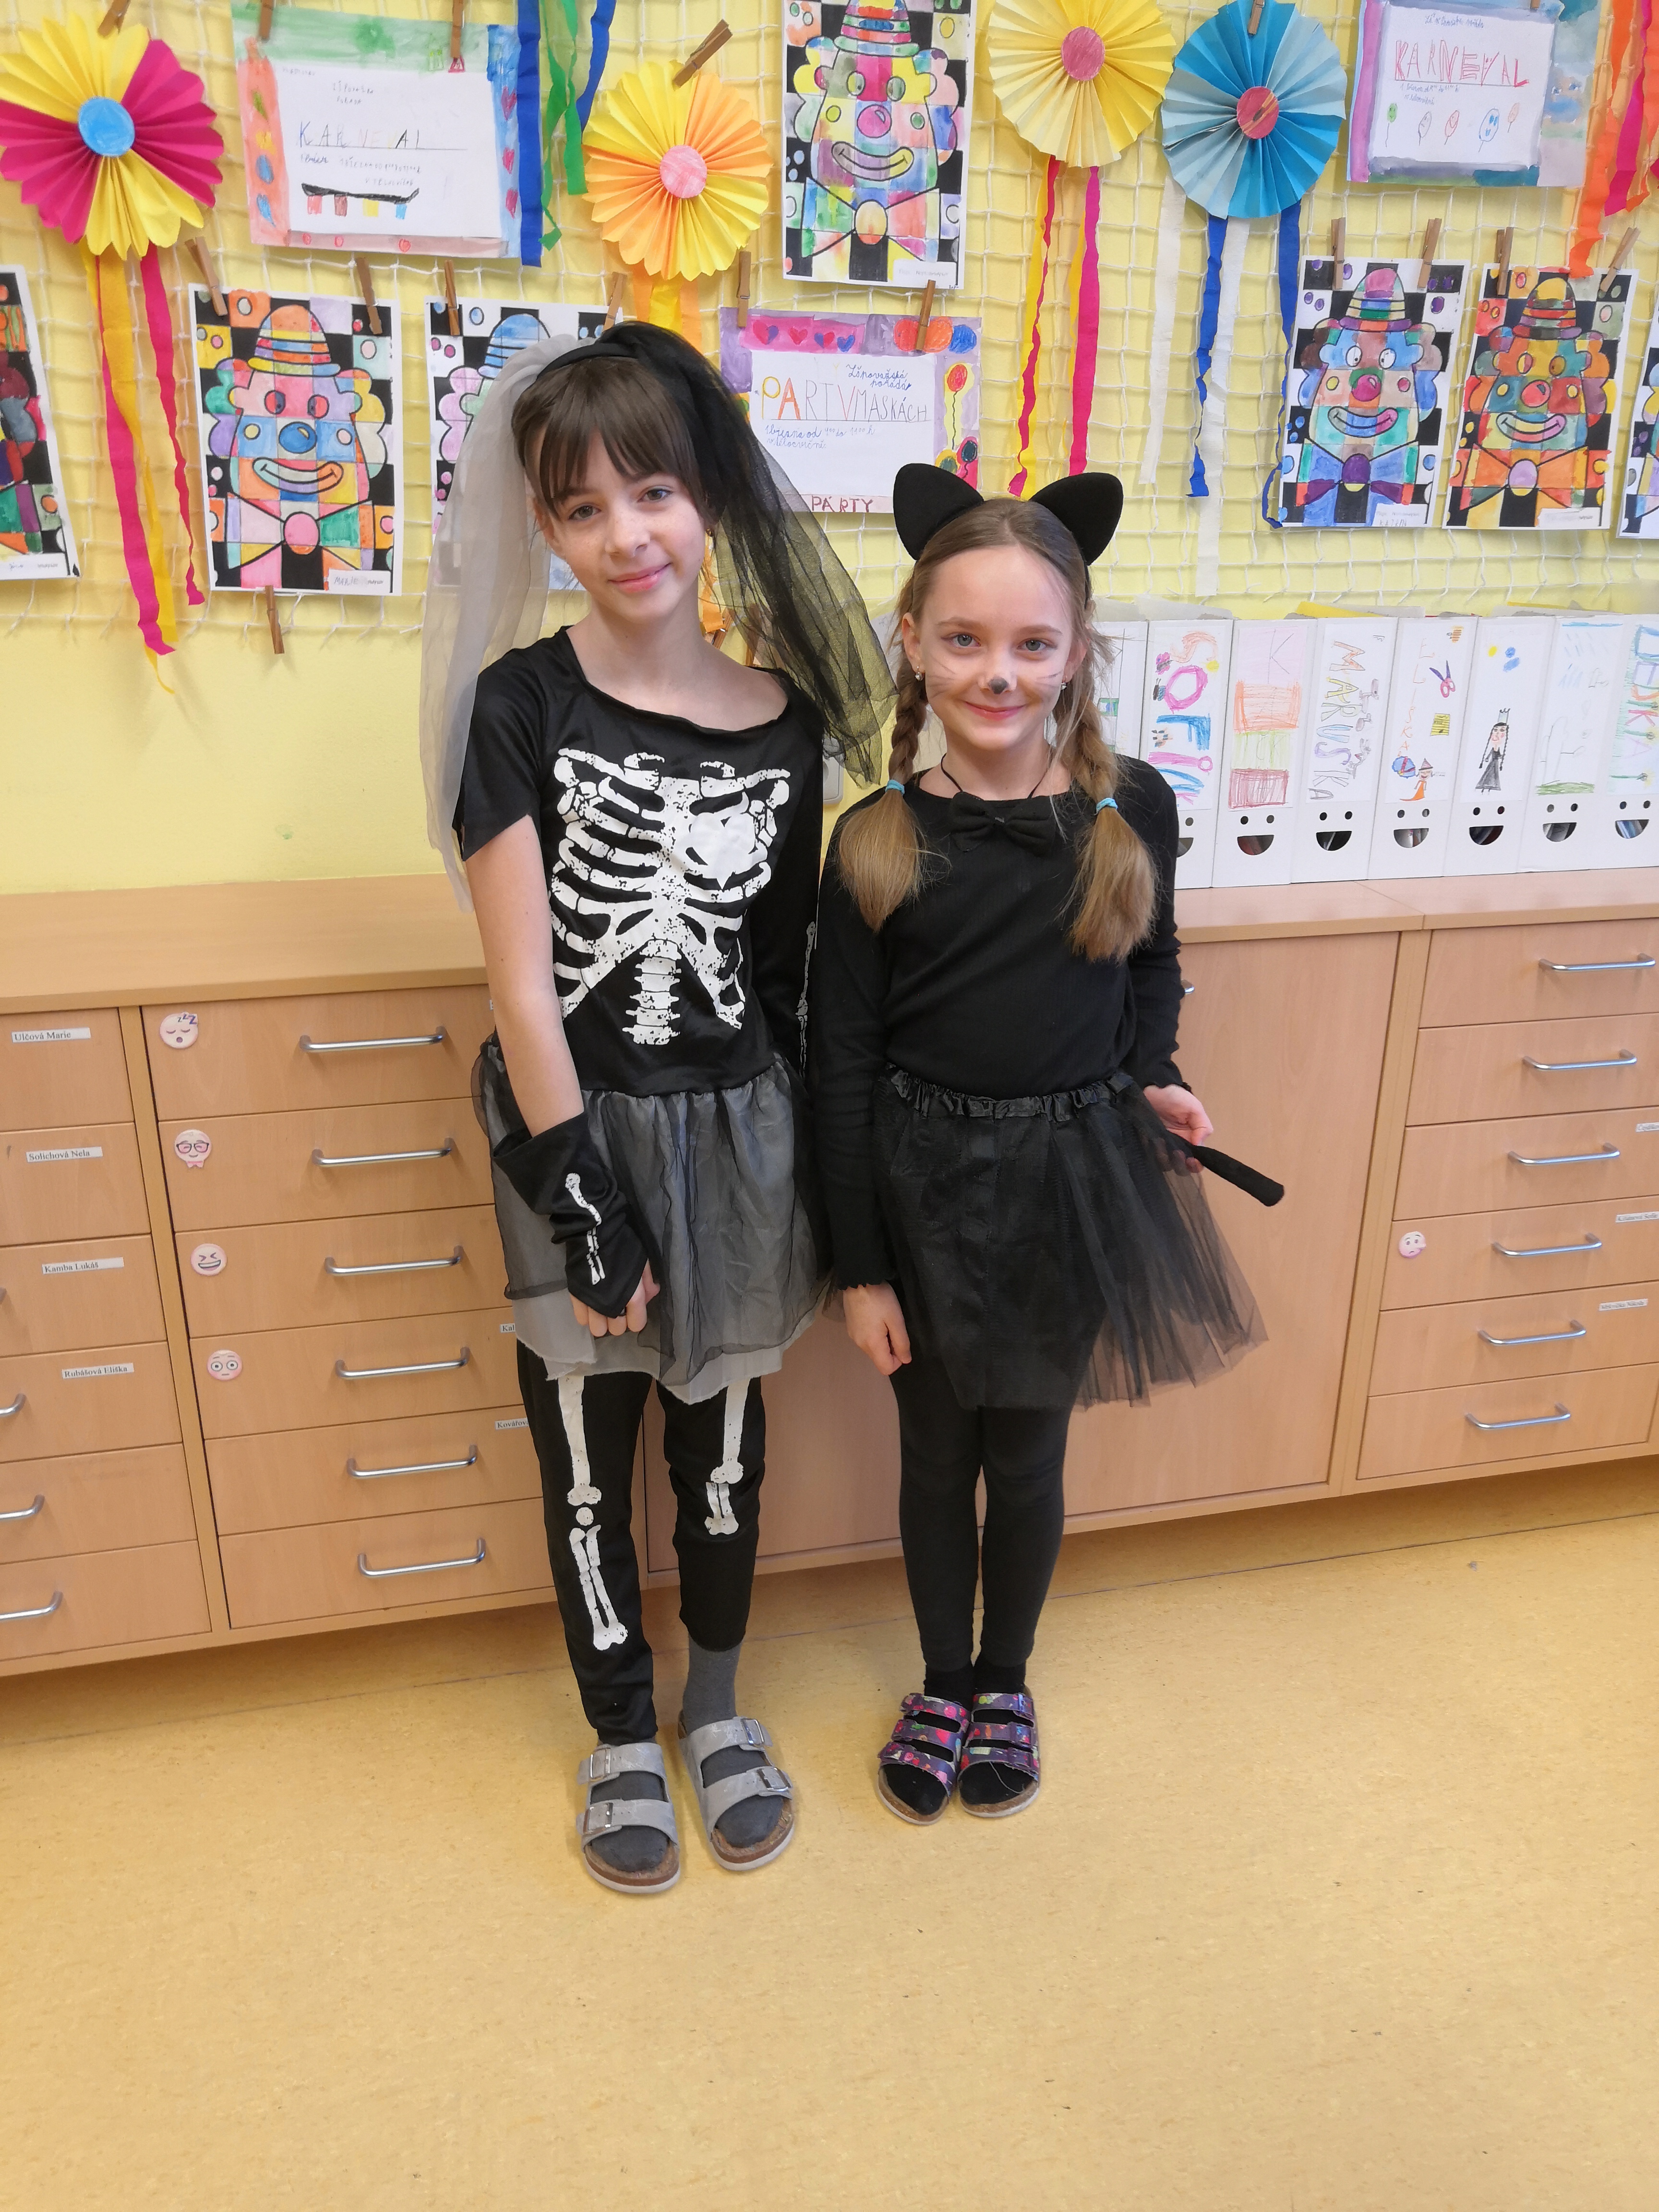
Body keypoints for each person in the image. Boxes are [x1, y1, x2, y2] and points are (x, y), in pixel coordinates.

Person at [420, 323, 889, 1894]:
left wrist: (820, 1179)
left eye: (655, 492)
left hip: (740, 1137)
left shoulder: (789, 722)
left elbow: (785, 972)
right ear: (544, 529)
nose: (627, 535)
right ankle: (620, 1733)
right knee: (584, 1459)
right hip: (579, 1132)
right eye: (583, 507)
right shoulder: (517, 707)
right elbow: (522, 988)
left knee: (724, 1455)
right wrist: (584, 1205)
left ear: (710, 499)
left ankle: (718, 1712)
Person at [809, 464, 1265, 1827]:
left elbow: (1151, 966)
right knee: (934, 1457)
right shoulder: (877, 840)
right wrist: (861, 1271)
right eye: (964, 640)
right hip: (922, 1194)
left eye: (1030, 644)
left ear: (1076, 653)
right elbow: (841, 1069)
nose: (997, 674)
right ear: (913, 643)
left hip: (1075, 1185)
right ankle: (941, 1682)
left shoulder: (1132, 813)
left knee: (1027, 1455)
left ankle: (1005, 1679)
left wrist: (1154, 1076)